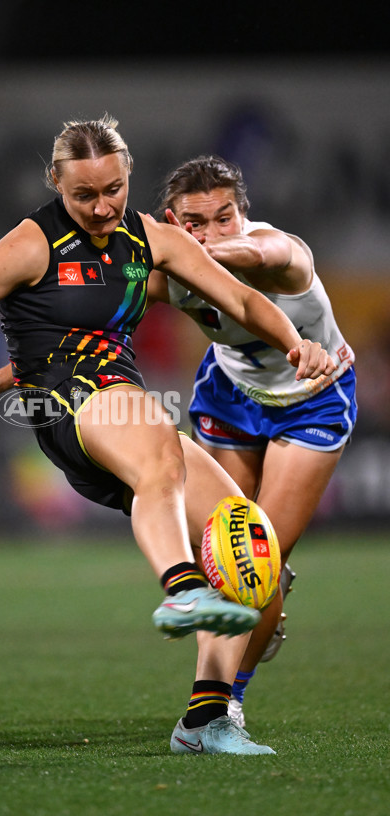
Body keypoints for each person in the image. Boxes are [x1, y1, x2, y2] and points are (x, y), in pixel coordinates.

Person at [0, 117, 336, 755]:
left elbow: (242, 302)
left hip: (115, 396)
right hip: (66, 404)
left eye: (113, 189)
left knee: (245, 534)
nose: (102, 207)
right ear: (56, 183)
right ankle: (183, 589)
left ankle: (206, 718)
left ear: (128, 177)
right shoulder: (31, 243)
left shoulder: (148, 239)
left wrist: (299, 345)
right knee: (159, 447)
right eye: (84, 195)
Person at [147, 154, 357, 728]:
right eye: (195, 222)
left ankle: (227, 702)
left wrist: (186, 250)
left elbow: (261, 254)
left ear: (245, 215)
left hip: (311, 400)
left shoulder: (278, 252)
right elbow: (95, 323)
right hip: (229, 398)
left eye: (225, 217)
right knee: (223, 562)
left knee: (255, 563)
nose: (213, 232)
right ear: (172, 219)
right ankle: (265, 606)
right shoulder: (169, 275)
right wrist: (7, 376)